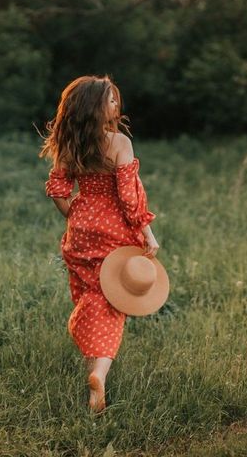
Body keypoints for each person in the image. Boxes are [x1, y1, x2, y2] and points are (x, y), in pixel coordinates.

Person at [39, 74, 160, 413]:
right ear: (94, 107)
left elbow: (59, 191)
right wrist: (147, 232)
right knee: (112, 301)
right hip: (114, 232)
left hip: (81, 230)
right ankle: (100, 375)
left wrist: (75, 216)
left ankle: (92, 363)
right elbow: (128, 196)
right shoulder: (119, 143)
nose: (116, 104)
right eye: (109, 100)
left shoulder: (70, 144)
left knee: (89, 294)